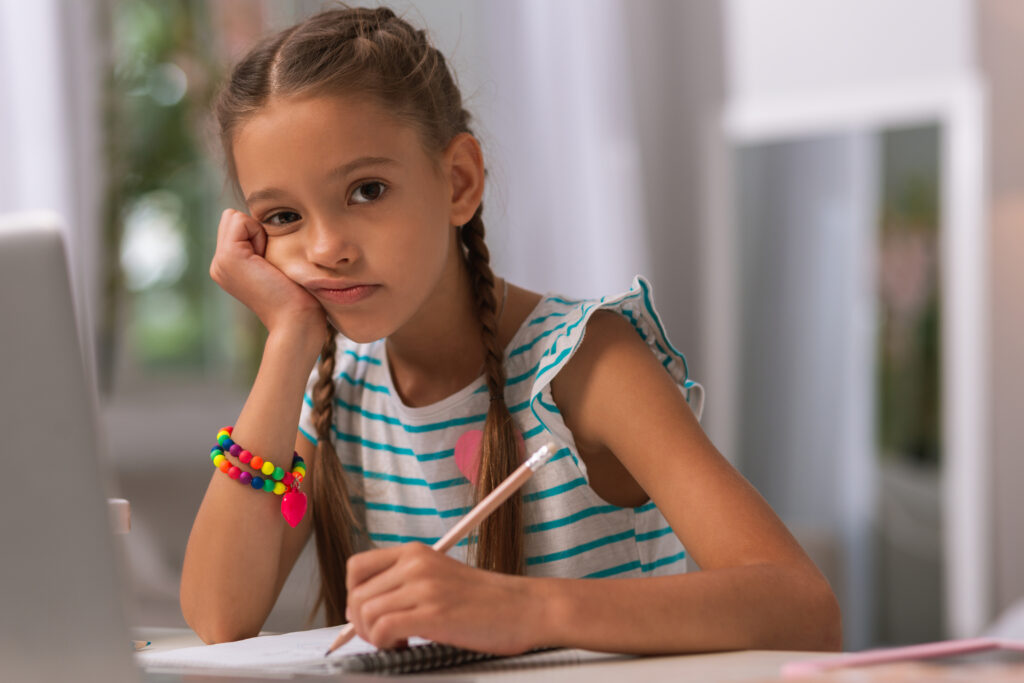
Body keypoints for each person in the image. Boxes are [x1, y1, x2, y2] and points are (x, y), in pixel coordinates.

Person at [180, 5, 841, 655]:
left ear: (459, 181)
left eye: (367, 190)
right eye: (285, 216)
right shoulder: (336, 388)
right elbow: (219, 615)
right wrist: (290, 336)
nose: (326, 247)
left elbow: (801, 606)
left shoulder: (584, 361)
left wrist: (523, 608)